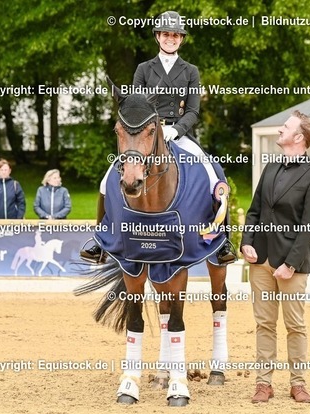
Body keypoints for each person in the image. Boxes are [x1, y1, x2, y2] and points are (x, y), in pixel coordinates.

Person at [81, 10, 236, 265]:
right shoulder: (144, 69)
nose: (170, 39)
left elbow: (194, 110)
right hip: (146, 134)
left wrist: (177, 129)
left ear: (181, 39)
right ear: (157, 37)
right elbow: (135, 106)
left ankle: (221, 241)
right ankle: (100, 242)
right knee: (106, 180)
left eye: (175, 35)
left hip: (178, 133)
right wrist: (148, 130)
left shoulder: (190, 71)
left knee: (213, 174)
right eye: (166, 34)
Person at [241, 110, 310, 404]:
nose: (280, 129)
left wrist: (290, 264)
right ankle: (263, 384)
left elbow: (309, 226)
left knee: (295, 326)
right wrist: (246, 242)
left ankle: (298, 384)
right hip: (261, 260)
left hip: (292, 264)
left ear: (299, 137)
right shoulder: (270, 168)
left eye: (286, 127)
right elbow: (254, 211)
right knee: (264, 324)